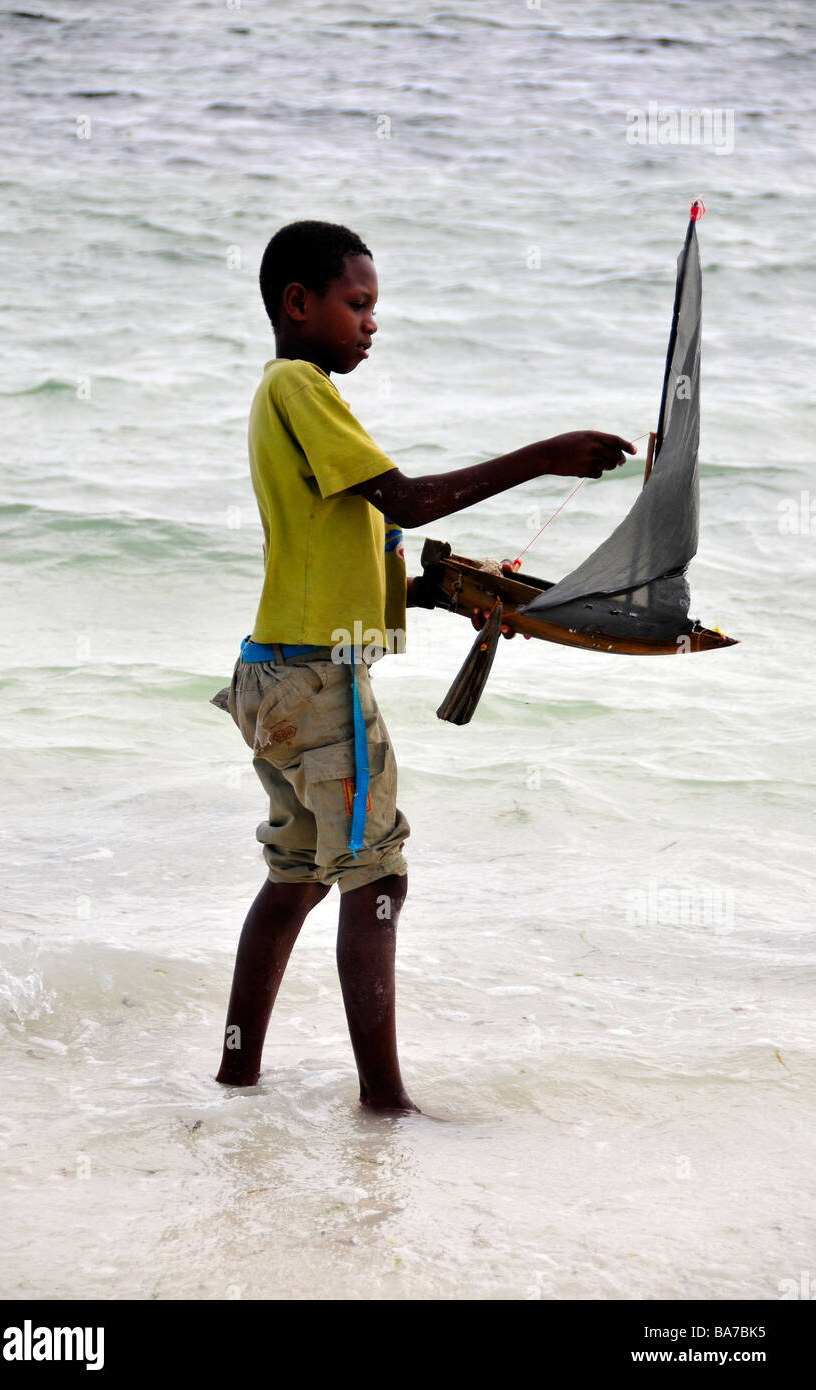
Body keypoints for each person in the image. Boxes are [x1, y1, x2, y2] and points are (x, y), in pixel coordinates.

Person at [215, 219, 634, 1113]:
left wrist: (466, 597)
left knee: (296, 874)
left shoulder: (286, 397)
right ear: (299, 303)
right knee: (377, 877)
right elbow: (406, 497)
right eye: (356, 304)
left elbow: (354, 552)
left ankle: (237, 1077)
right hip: (320, 683)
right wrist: (544, 457)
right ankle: (385, 1104)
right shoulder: (301, 385)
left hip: (272, 674)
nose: (372, 323)